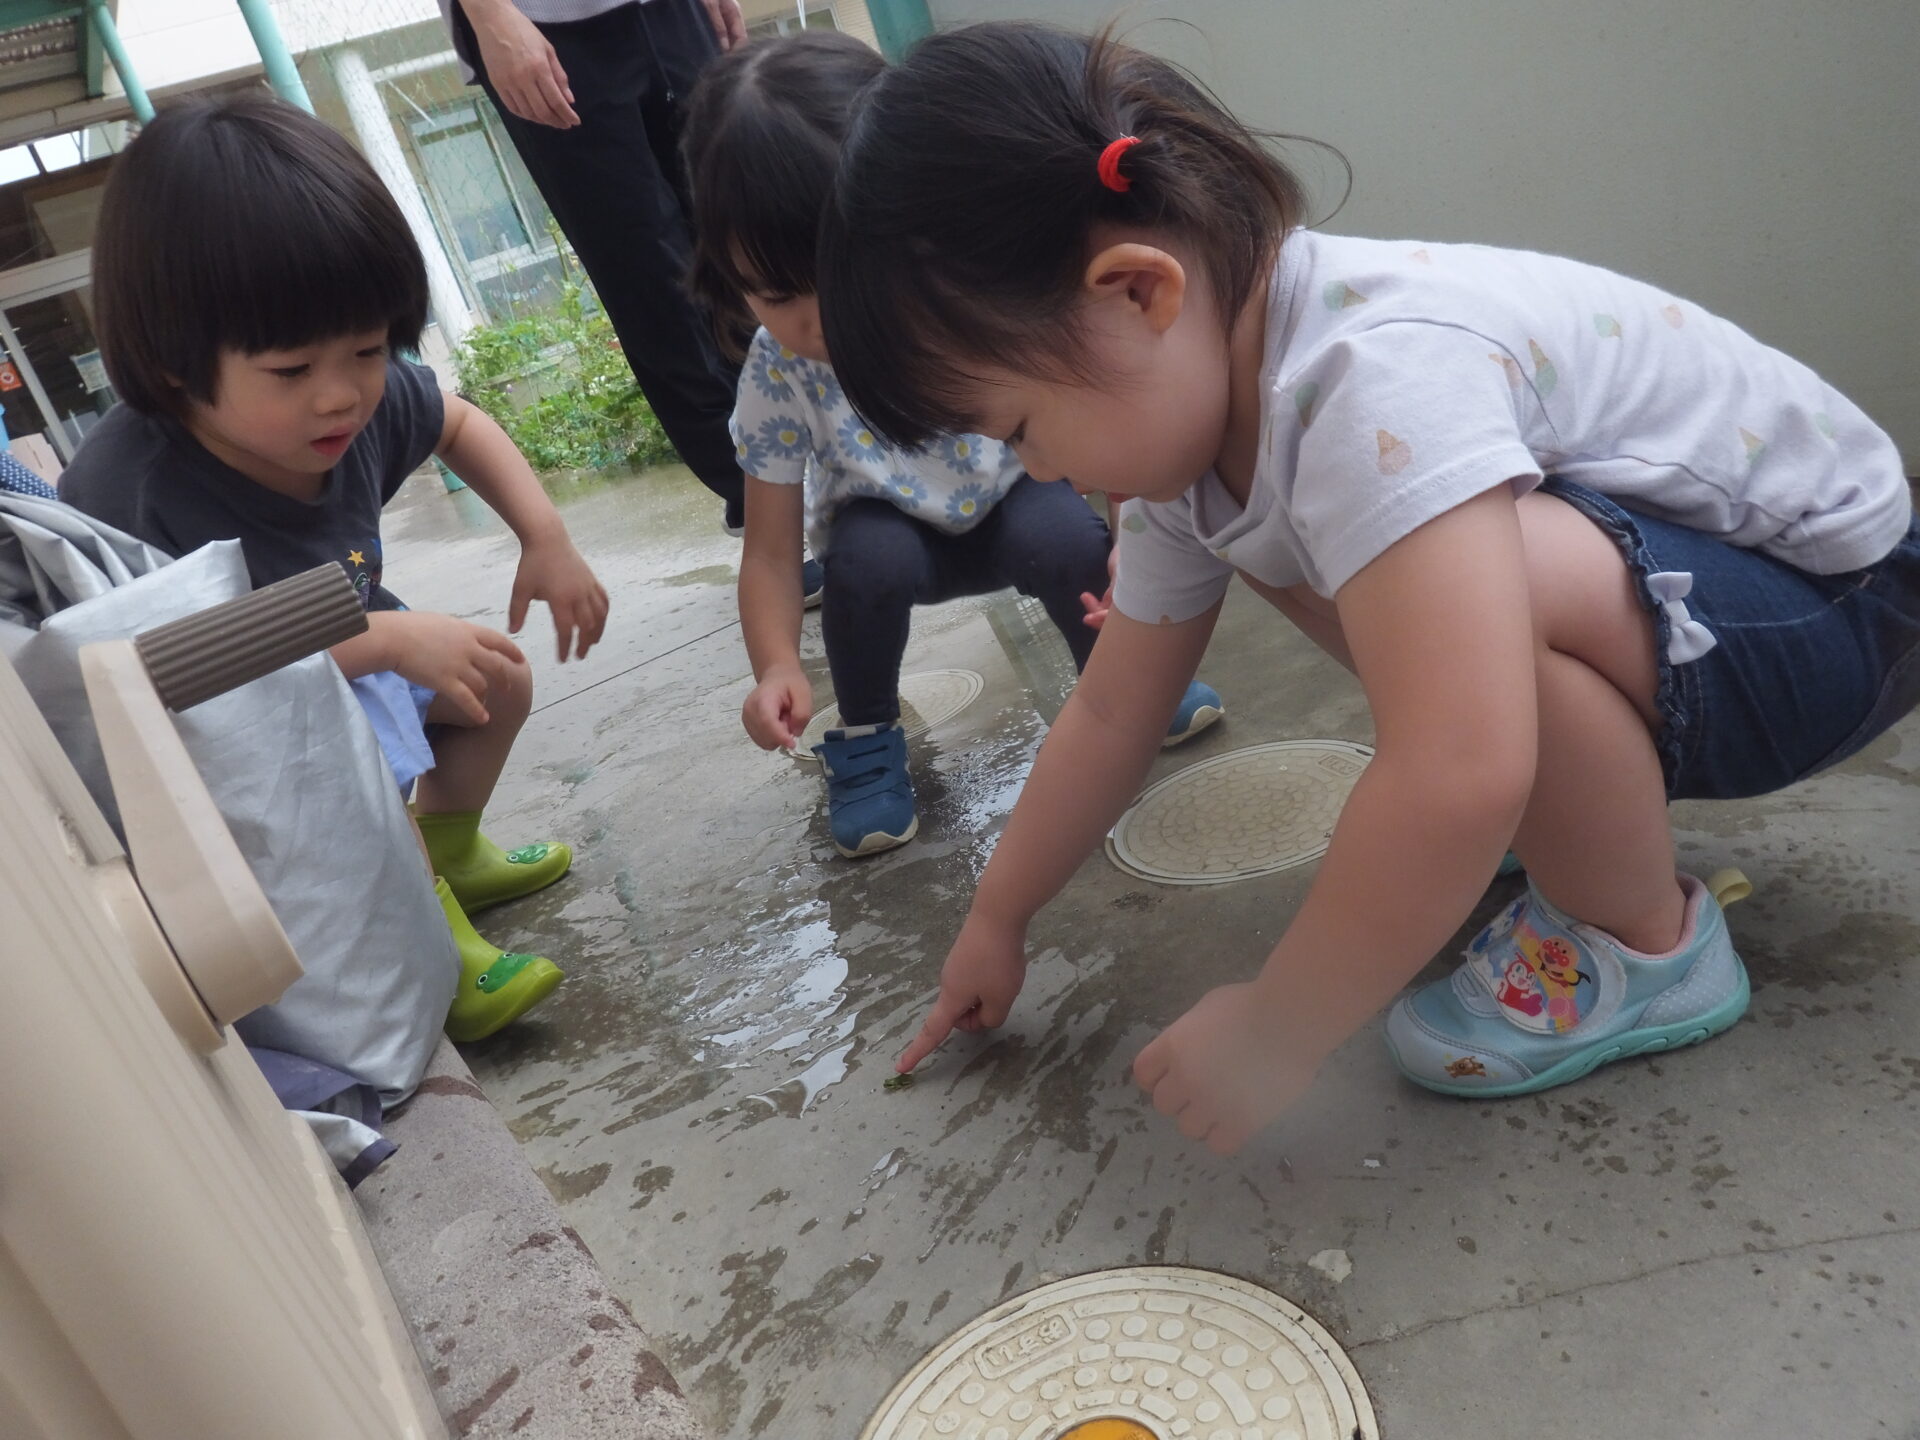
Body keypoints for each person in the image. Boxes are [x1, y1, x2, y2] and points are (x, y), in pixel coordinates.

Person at [815, 23, 1920, 1152]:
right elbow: (1111, 707)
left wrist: (1281, 1025)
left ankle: (1644, 942)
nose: (1040, 472)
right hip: (1720, 617)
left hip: (1842, 615)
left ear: (1138, 291)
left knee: (1463, 624)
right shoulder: (1187, 446)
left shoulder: (1372, 375)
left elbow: (1457, 766)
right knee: (1417, 603)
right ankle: (1568, 820)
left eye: (1019, 427)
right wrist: (998, 917)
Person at [59, 93, 612, 1043]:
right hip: (240, 739)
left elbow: (457, 420)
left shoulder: (356, 400)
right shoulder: (129, 491)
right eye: (290, 371)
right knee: (373, 739)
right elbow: (156, 671)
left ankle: (448, 852)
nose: (342, 395)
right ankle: (429, 941)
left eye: (367, 348)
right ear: (175, 361)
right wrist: (384, 638)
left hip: (353, 664)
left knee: (496, 680)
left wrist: (544, 536)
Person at [681, 33, 1225, 858]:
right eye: (780, 293)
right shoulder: (779, 371)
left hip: (1013, 493)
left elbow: (1102, 414)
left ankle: (1130, 673)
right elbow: (769, 553)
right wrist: (776, 666)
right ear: (730, 278)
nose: (824, 318)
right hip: (889, 535)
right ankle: (867, 741)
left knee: (1067, 538)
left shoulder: (959, 303)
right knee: (864, 565)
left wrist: (1135, 542)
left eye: (842, 273)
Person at [444, 0, 757, 539]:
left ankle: (829, 469)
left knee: (747, 235)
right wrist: (490, 17)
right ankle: (761, 504)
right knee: (652, 283)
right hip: (545, 25)